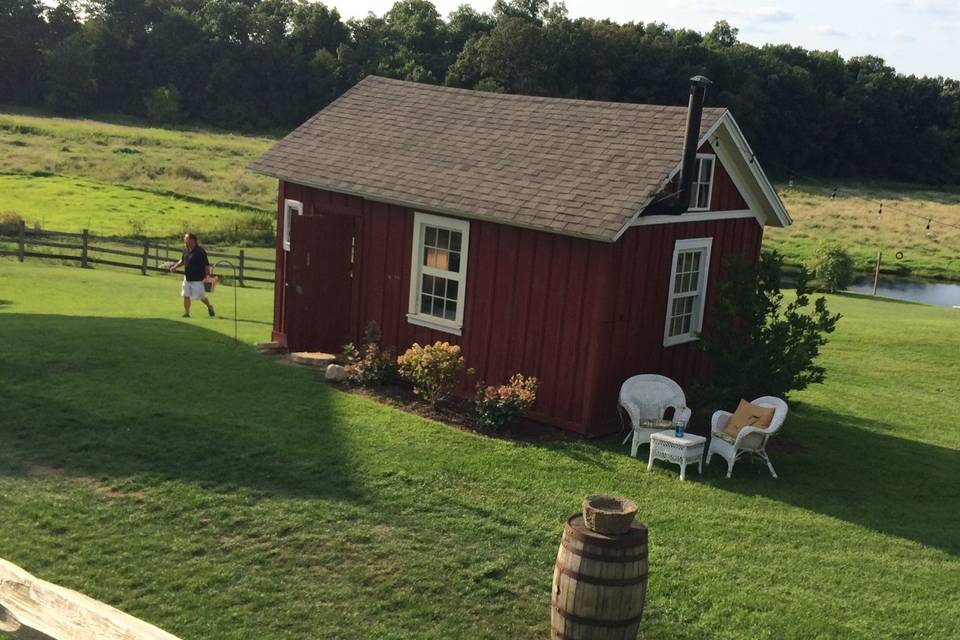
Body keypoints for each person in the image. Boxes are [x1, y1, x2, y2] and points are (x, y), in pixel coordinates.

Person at [169, 233, 215, 318]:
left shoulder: (200, 251)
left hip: (198, 279)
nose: (184, 241)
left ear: (192, 240)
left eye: (186, 239)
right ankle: (187, 313)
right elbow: (182, 261)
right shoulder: (186, 250)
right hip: (187, 277)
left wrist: (208, 276)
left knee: (201, 297)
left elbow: (206, 265)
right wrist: (174, 267)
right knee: (186, 295)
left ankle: (209, 306)